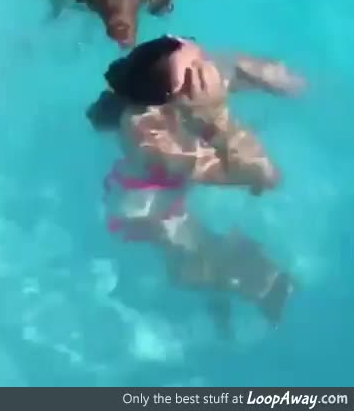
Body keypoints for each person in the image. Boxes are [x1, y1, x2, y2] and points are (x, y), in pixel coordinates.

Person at [86, 35, 306, 332]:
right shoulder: (150, 136)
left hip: (168, 176)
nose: (207, 71)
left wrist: (266, 77)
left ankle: (225, 290)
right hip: (147, 206)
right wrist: (218, 120)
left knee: (224, 249)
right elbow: (265, 176)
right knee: (195, 257)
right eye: (195, 74)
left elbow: (289, 82)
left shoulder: (193, 78)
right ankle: (235, 293)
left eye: (199, 56)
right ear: (176, 97)